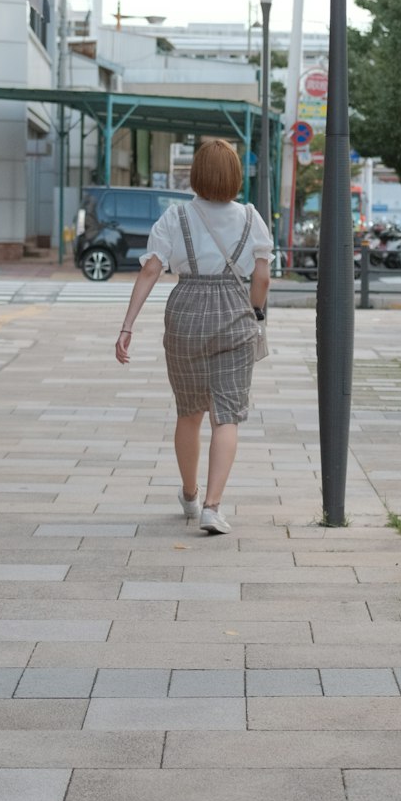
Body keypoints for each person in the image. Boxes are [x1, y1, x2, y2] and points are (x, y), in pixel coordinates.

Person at [114, 140, 272, 534]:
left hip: (185, 314)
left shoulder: (174, 217)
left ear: (196, 174)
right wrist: (255, 311)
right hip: (234, 316)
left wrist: (127, 325)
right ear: (235, 175)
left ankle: (189, 494)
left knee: (189, 412)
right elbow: (262, 277)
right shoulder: (252, 218)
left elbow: (150, 270)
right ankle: (213, 508)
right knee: (228, 415)